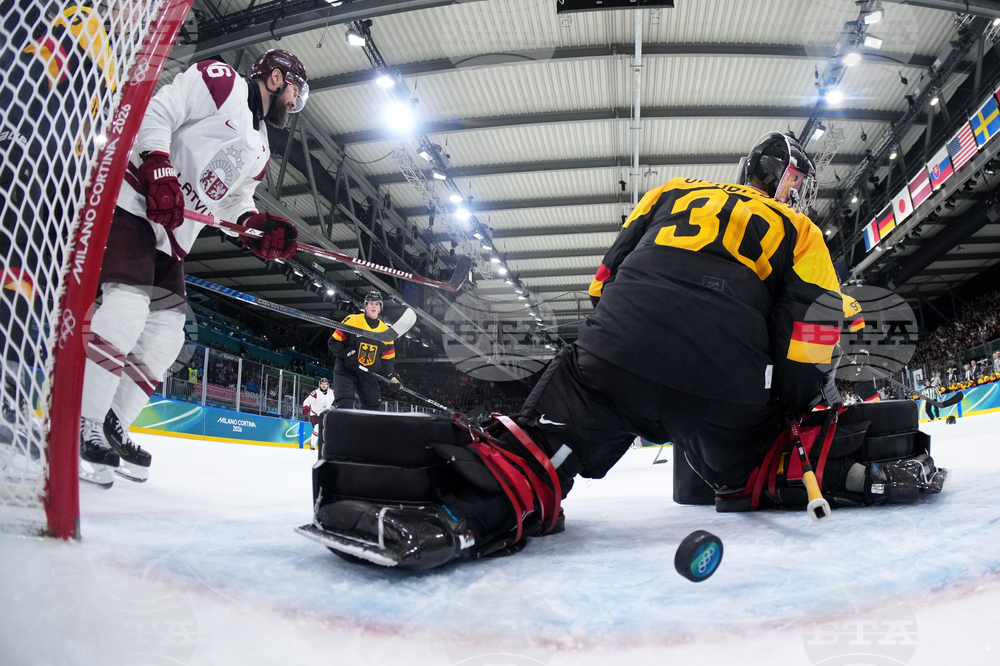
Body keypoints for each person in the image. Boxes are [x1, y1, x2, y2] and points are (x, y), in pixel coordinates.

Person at [308, 132, 946, 570]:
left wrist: (615, 356)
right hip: (721, 392)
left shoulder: (669, 192)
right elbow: (811, 335)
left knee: (541, 449)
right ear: (778, 180)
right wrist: (793, 411)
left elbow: (601, 285)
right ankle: (853, 467)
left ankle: (457, 509)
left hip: (617, 363)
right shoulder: (801, 229)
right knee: (753, 467)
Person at [77, 49, 308, 486]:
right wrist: (157, 163)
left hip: (173, 237)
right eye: (295, 90)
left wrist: (255, 227)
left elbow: (232, 200)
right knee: (126, 308)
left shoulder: (260, 147)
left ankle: (111, 421)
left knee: (166, 334)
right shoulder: (222, 80)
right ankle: (81, 420)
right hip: (136, 203)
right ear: (275, 78)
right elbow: (160, 109)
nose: (295, 103)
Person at [328, 291, 401, 410]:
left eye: (377, 304)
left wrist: (391, 375)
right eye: (371, 303)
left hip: (368, 374)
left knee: (374, 409)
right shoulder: (352, 320)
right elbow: (333, 342)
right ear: (365, 306)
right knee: (345, 404)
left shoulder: (386, 332)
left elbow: (387, 360)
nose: (374, 306)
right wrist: (347, 353)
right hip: (346, 370)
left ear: (380, 308)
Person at [302, 377, 335, 450]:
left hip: (325, 414)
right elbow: (306, 401)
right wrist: (306, 407)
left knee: (327, 431)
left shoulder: (331, 393)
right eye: (322, 384)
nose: (324, 385)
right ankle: (313, 445)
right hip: (315, 414)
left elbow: (339, 396)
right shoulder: (315, 393)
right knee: (317, 428)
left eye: (325, 384)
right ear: (320, 384)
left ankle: (327, 446)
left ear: (327, 385)